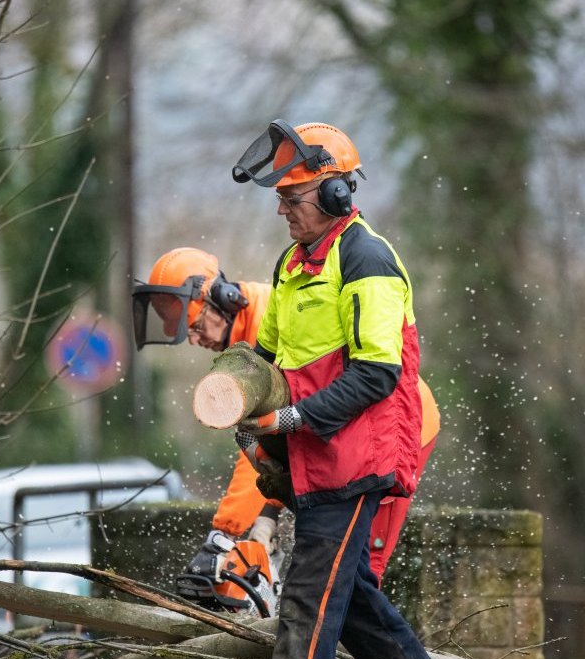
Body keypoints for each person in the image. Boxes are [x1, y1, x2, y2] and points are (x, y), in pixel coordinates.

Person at [204, 120, 500, 659]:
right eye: (279, 198)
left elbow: (377, 374)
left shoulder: (367, 260)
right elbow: (272, 356)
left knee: (304, 615)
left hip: (355, 464)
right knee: (359, 611)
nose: (282, 210)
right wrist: (240, 387)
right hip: (313, 464)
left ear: (337, 194)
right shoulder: (290, 266)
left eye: (294, 197)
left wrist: (292, 417)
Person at [132, 246, 439, 584]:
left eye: (197, 325)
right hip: (343, 430)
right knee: (333, 565)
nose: (195, 339)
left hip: (394, 423)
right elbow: (267, 447)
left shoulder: (267, 327)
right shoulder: (241, 349)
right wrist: (265, 517)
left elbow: (273, 434)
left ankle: (362, 633)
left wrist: (225, 533)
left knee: (359, 566)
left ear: (223, 299)